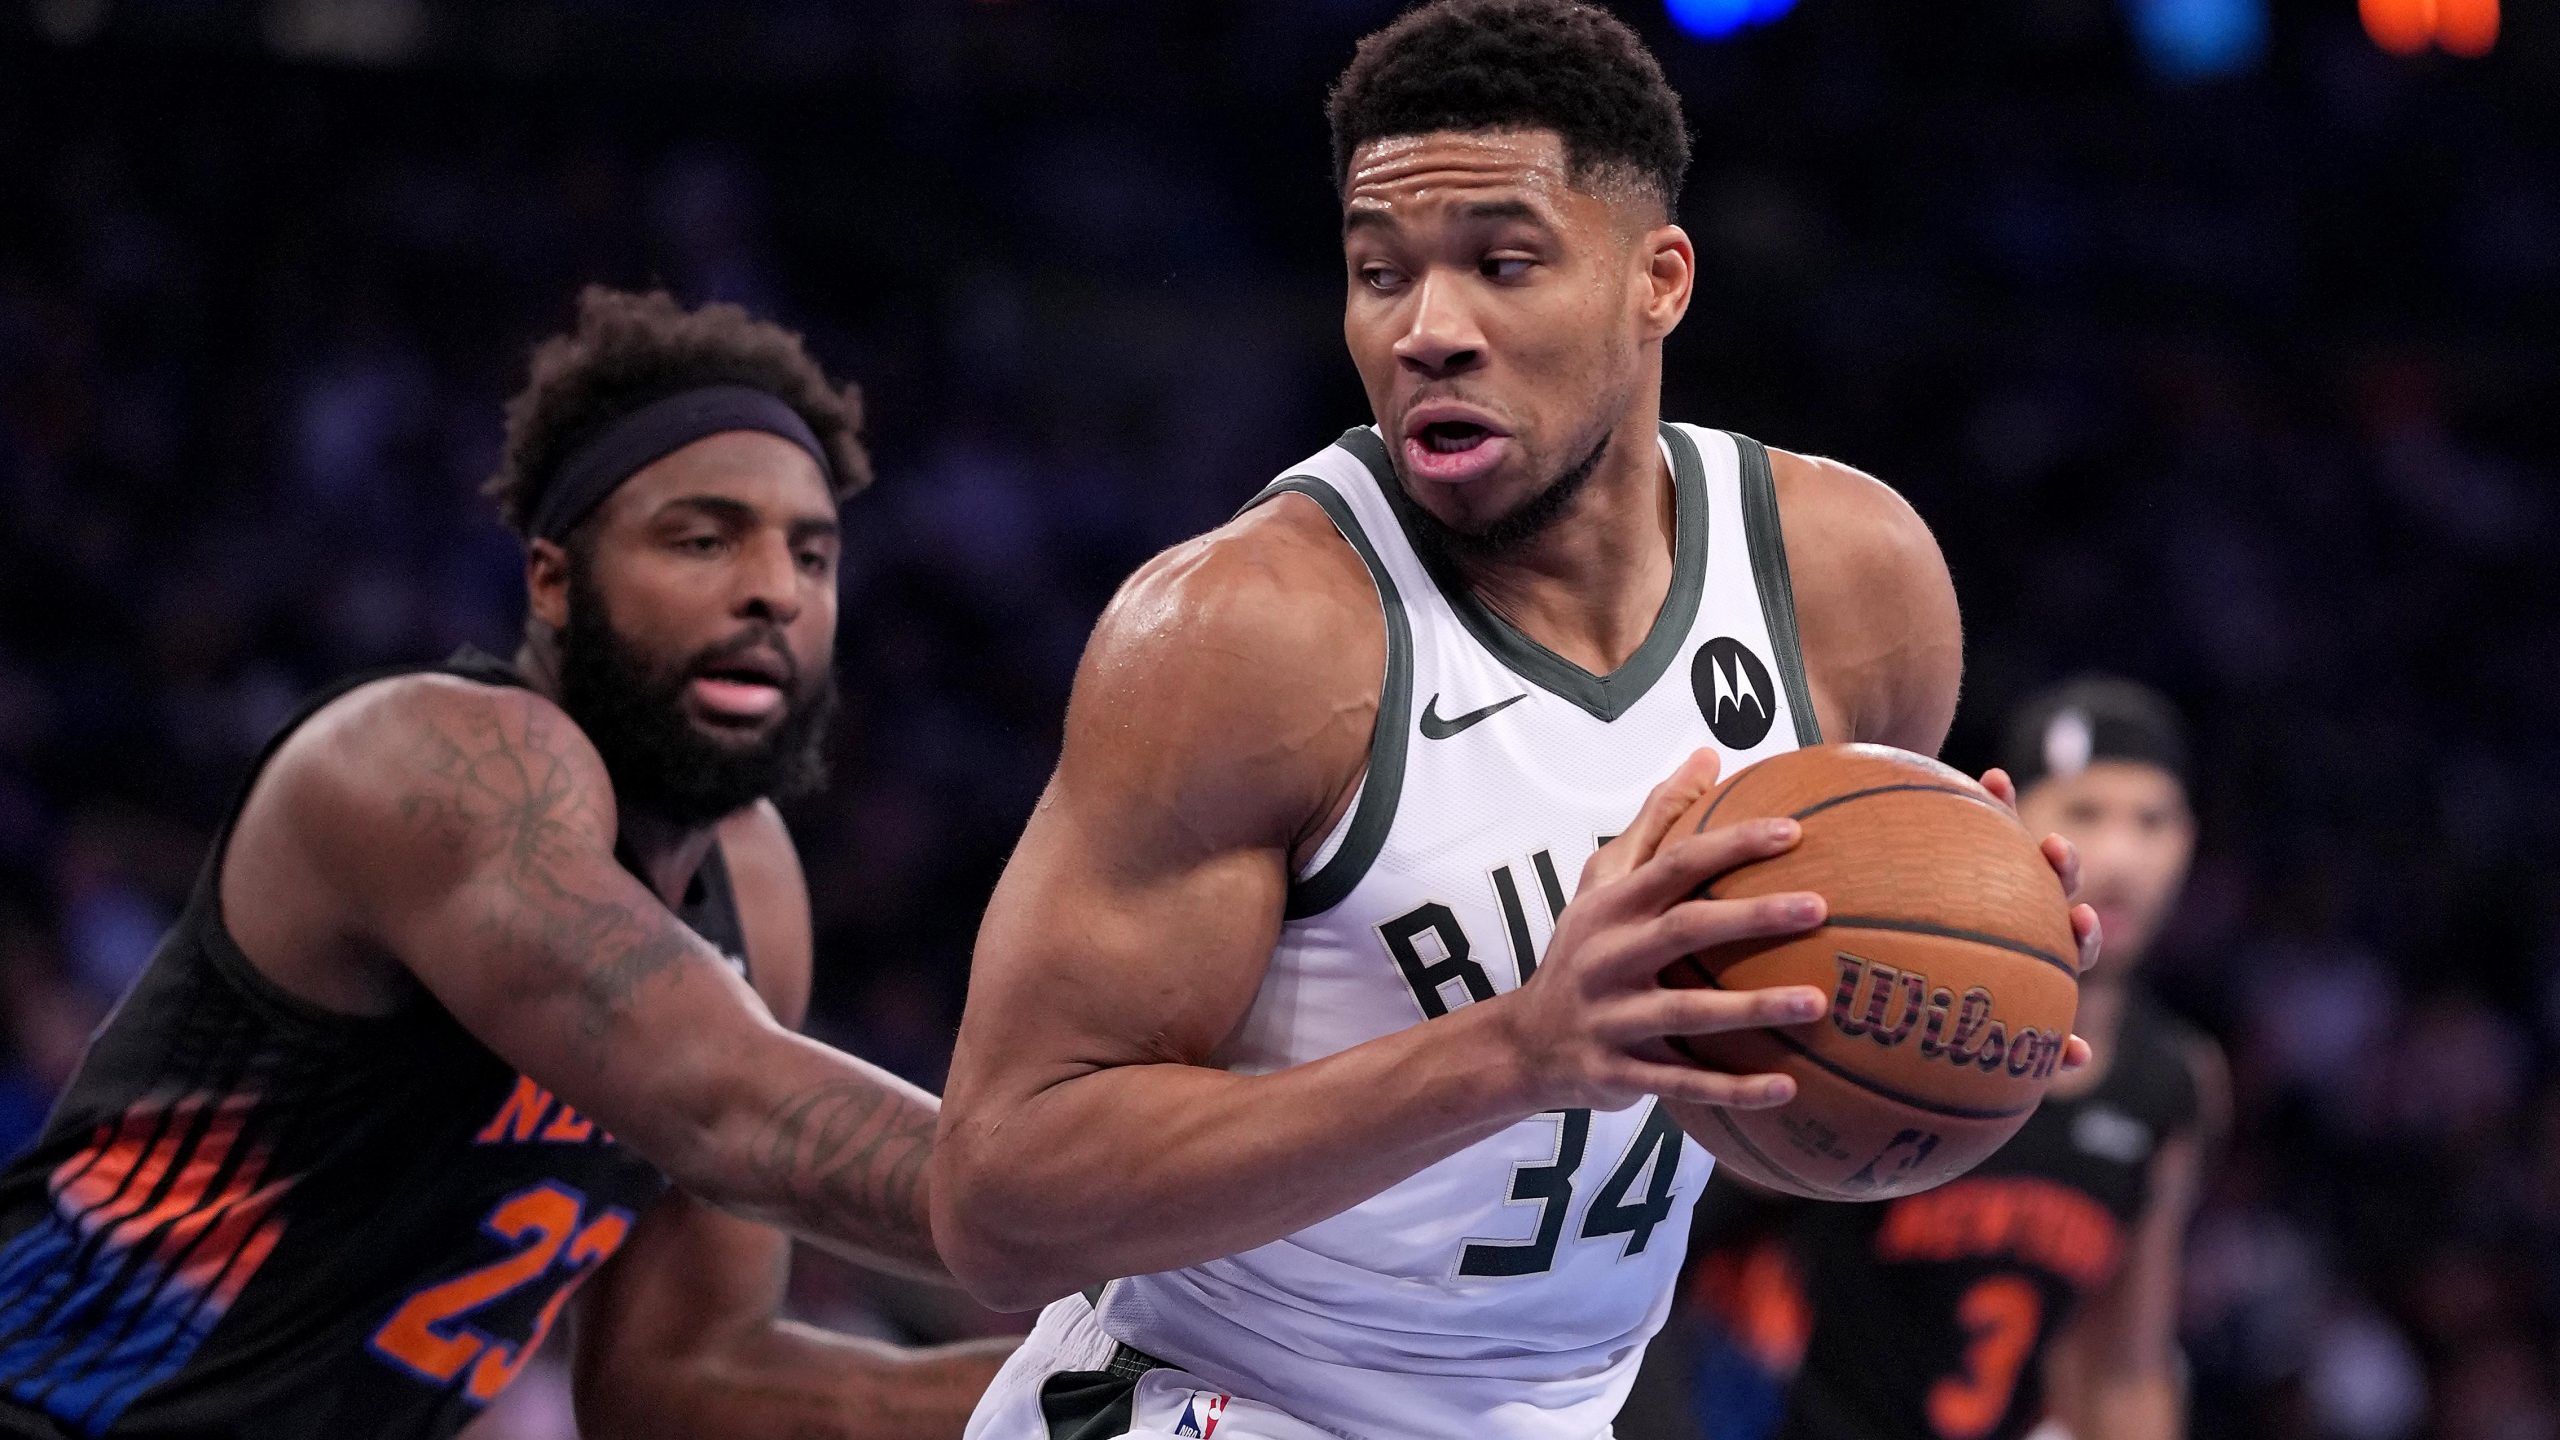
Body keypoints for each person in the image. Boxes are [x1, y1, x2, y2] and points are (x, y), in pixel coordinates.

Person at [929, 4, 2098, 1437]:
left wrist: (1945, 1001)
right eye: (1379, 272)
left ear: (1658, 281)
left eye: (1502, 264)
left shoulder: (1854, 583)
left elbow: (1756, 1122)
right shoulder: (1251, 633)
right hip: (1218, 1397)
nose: (1427, 332)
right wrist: (1517, 1051)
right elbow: (998, 1203)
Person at [0, 287, 1010, 1439]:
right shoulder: (428, 760)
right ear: (551, 580)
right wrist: (1121, 1226)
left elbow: (682, 1380)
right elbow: (723, 1106)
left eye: (812, 555)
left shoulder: (753, 886)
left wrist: (1107, 1392)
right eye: (703, 538)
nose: (774, 589)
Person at [1680, 677, 2228, 1440]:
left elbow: (2123, 1370)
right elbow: (1699, 1211)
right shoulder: (1892, 1011)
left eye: (2151, 821)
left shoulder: (2172, 1085)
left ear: (2188, 840)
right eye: (2084, 813)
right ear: (2012, 821)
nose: (2120, 856)